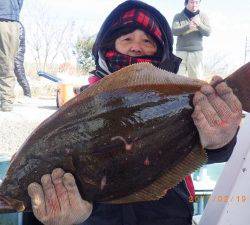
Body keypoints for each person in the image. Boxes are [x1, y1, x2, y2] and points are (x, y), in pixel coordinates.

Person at [27, 1, 242, 225]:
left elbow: (213, 153)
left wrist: (221, 141)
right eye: (127, 39)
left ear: (162, 51)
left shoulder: (184, 98)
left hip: (168, 215)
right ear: (108, 47)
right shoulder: (79, 107)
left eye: (147, 41)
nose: (136, 47)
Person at [172, 0, 211, 79]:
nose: (194, 5)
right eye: (192, 2)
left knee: (196, 79)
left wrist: (199, 24)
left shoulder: (203, 16)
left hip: (196, 52)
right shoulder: (178, 16)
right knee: (178, 79)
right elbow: (174, 31)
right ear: (186, 3)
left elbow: (208, 32)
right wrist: (188, 26)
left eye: (197, 2)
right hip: (180, 52)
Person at [0, 0, 23, 112]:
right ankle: (6, 101)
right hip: (9, 19)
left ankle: (6, 101)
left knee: (7, 63)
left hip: (9, 19)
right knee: (7, 63)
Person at [14, 22, 31, 97]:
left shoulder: (18, 25)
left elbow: (18, 40)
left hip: (18, 51)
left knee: (19, 72)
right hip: (10, 50)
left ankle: (27, 94)